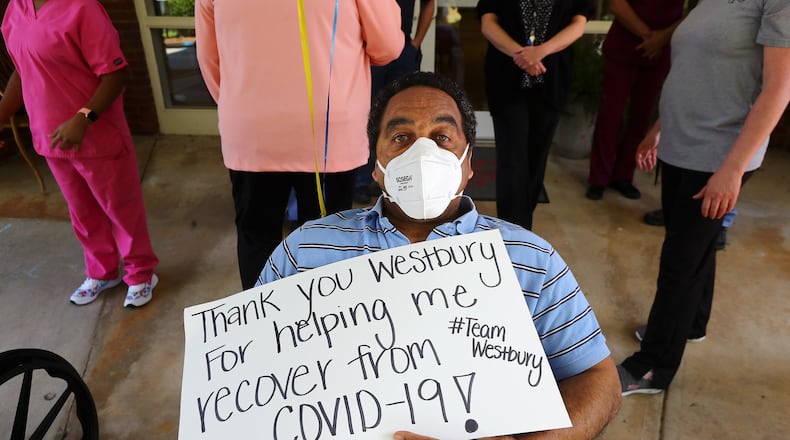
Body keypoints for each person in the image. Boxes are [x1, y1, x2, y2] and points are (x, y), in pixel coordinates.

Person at [259, 72, 621, 438]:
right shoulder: (305, 250)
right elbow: (252, 369)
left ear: (467, 163)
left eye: (441, 137)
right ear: (376, 166)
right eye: (401, 138)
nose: (422, 154)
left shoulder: (530, 260)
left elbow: (598, 380)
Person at [619, 0, 790, 395]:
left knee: (680, 261)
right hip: (684, 143)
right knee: (695, 247)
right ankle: (691, 322)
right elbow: (695, 73)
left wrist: (731, 169)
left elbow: (778, 90)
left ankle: (653, 365)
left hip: (718, 154)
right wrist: (660, 128)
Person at [195, 0, 404, 290]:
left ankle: (263, 323)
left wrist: (244, 108)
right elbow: (387, 46)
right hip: (327, 130)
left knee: (257, 236)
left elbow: (210, 59)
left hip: (252, 128)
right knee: (326, 241)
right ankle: (320, 325)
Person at [0, 0, 159, 308]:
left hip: (96, 137)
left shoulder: (82, 8)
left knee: (121, 210)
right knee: (82, 213)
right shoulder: (15, 10)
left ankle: (141, 273)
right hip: (50, 138)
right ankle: (103, 271)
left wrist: (83, 118)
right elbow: (22, 72)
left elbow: (114, 75)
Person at [477, 0, 593, 230]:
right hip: (507, 80)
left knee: (536, 159)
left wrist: (540, 52)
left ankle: (521, 222)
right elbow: (488, 24)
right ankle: (514, 230)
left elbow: (578, 25)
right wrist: (520, 54)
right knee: (512, 159)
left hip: (551, 80)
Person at [585, 0, 688, 201]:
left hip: (660, 49)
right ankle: (598, 178)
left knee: (642, 117)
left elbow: (694, 11)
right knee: (610, 116)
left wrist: (660, 39)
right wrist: (648, 36)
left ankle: (624, 175)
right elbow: (616, 4)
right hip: (625, 44)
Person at [354, 0, 437, 205]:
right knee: (366, 116)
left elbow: (429, 4)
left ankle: (398, 179)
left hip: (403, 53)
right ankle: (362, 180)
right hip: (367, 50)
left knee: (401, 119)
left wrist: (415, 43)